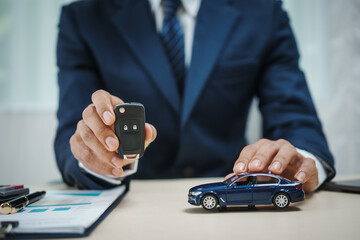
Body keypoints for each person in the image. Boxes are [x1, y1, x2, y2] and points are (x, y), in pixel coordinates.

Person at [55, 0, 335, 192]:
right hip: (128, 206)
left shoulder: (262, 12)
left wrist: (297, 162)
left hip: (234, 200)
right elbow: (74, 131)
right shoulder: (84, 18)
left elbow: (296, 119)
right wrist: (96, 157)